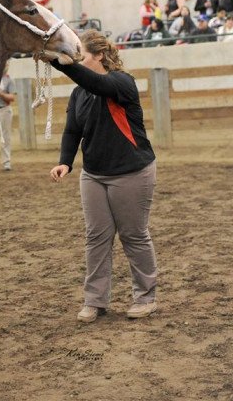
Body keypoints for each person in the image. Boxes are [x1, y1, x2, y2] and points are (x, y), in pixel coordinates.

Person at [48, 30, 157, 322]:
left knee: (134, 235)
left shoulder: (122, 82)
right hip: (94, 174)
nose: (75, 57)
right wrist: (66, 163)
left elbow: (95, 82)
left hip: (131, 171)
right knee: (96, 236)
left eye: (80, 52)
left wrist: (60, 64)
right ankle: (95, 300)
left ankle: (145, 297)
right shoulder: (78, 93)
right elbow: (73, 131)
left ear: (98, 55)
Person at [0, 63, 16, 171]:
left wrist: (1, 94)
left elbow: (12, 97)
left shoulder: (9, 80)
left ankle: (6, 162)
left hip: (4, 109)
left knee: (5, 138)